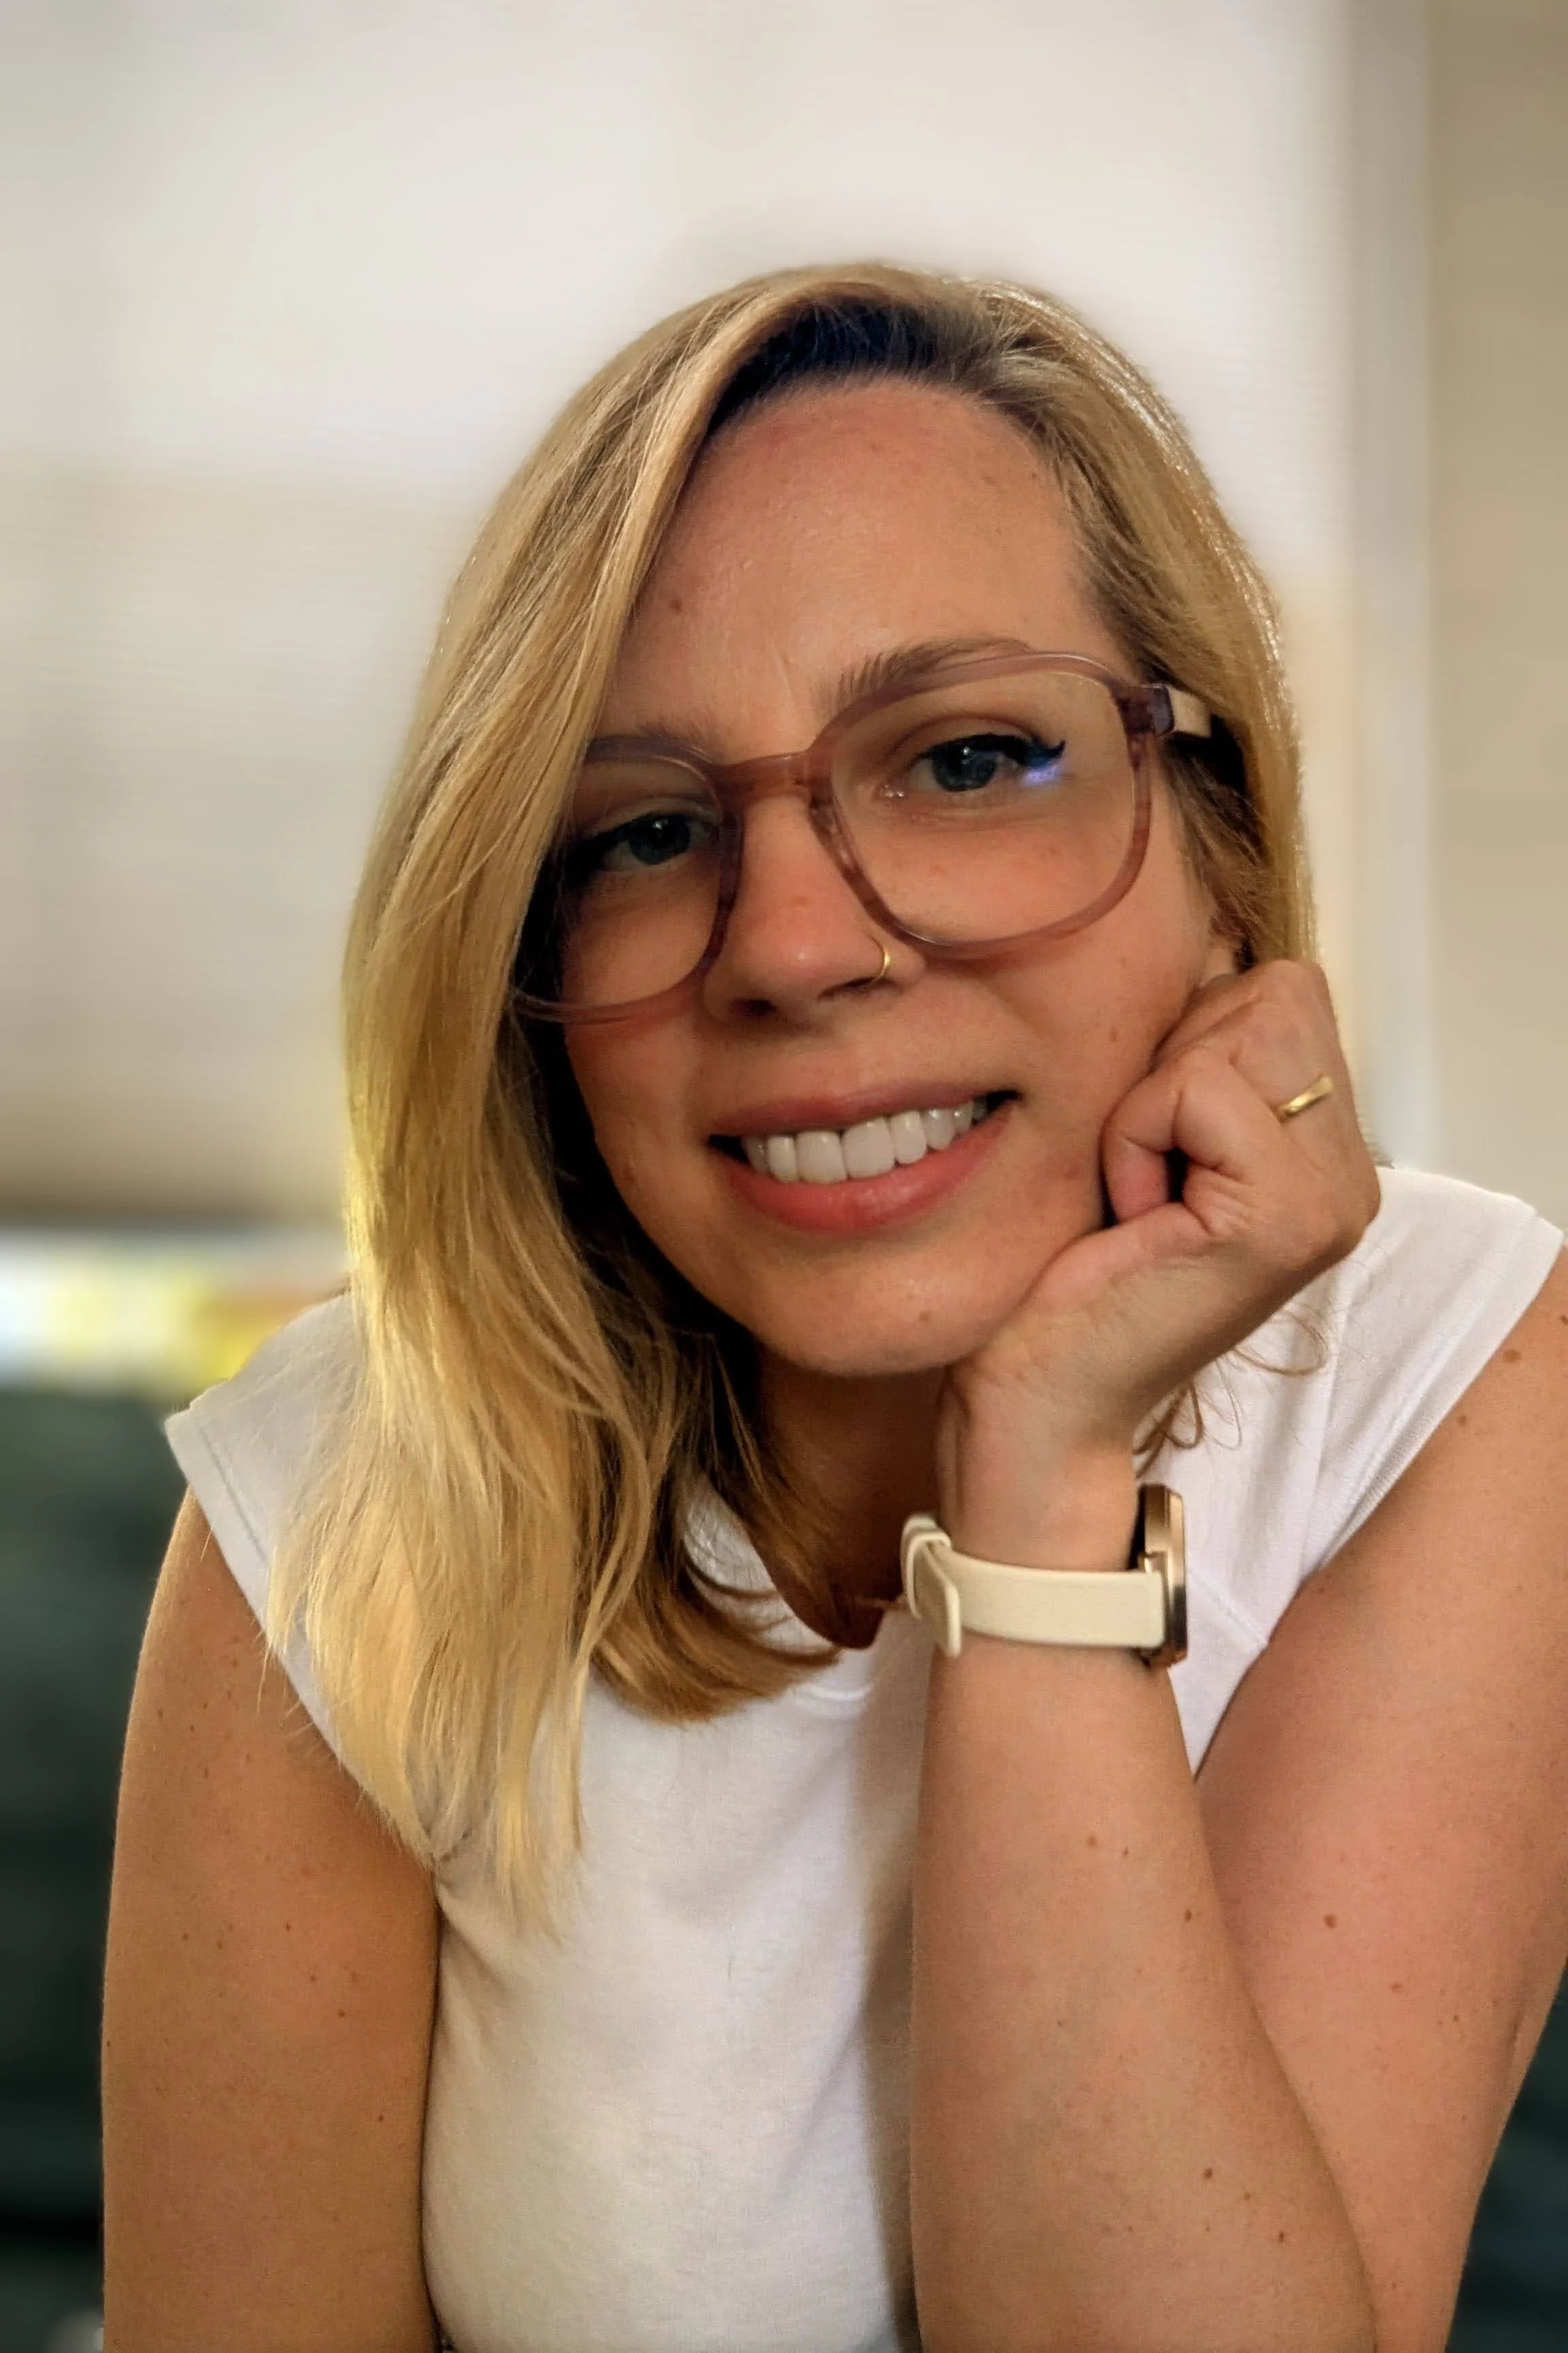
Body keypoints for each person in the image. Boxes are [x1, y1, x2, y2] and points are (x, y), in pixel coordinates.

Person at [101, 263, 1568, 2353]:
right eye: (646, 830)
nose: (791, 945)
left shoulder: (1457, 1361)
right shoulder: (343, 1489)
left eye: (966, 758)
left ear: (1221, 841)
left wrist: (1045, 1481)